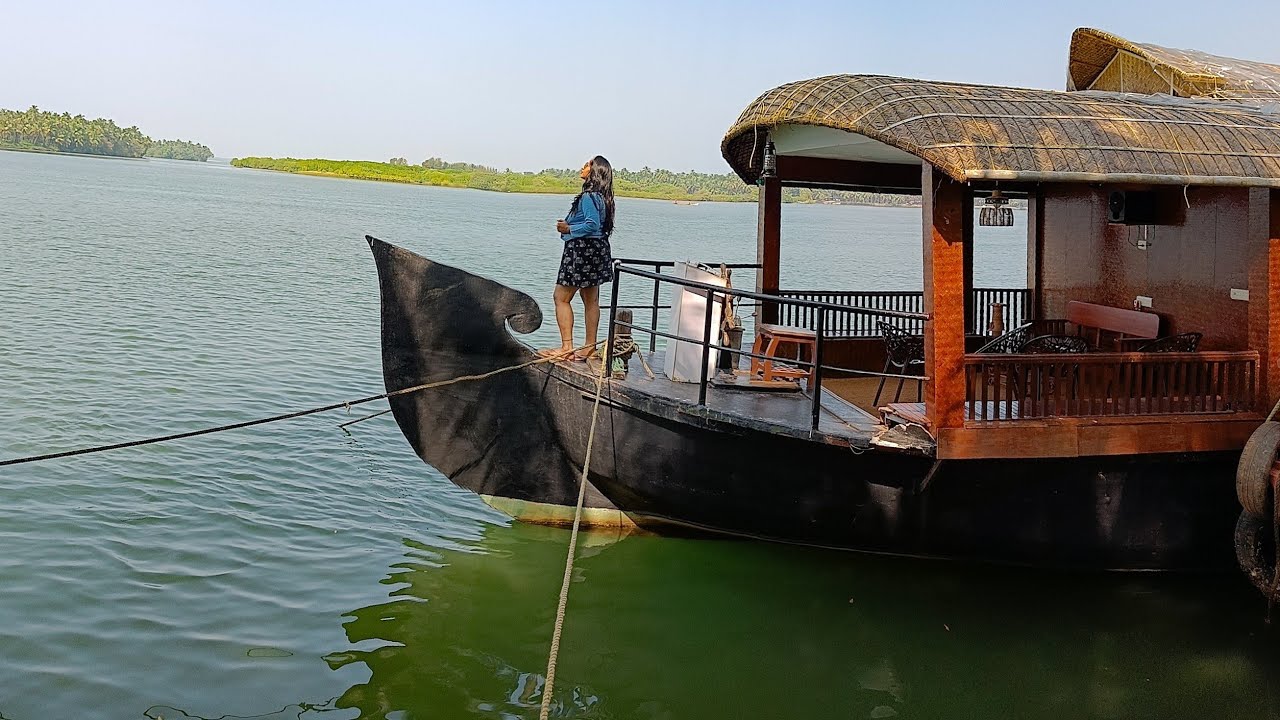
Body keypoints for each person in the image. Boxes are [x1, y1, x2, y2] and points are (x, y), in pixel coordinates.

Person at [538, 155, 616, 361]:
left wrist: (568, 227)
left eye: (586, 165)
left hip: (582, 251)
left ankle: (567, 347)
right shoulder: (603, 198)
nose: (582, 167)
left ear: (594, 171)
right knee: (591, 299)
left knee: (560, 297)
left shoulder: (589, 197)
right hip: (597, 250)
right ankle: (590, 346)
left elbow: (591, 224)